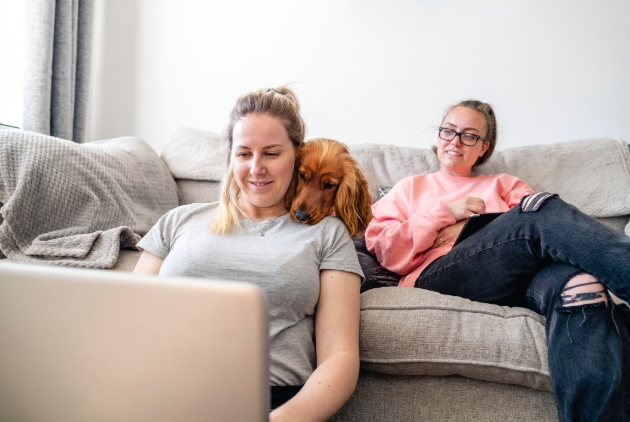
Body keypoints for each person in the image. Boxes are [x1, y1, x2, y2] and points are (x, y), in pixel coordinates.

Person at [365, 100, 630, 422]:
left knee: (582, 285)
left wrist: (470, 227)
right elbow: (385, 249)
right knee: (538, 209)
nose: (456, 141)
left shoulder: (503, 184)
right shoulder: (410, 187)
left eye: (469, 135)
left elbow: (545, 232)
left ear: (484, 147)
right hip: (442, 274)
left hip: (525, 277)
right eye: (448, 131)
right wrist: (446, 213)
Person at [133, 87, 363, 421]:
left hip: (270, 405)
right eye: (244, 154)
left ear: (296, 156)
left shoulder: (327, 233)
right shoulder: (179, 220)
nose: (256, 168)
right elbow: (128, 321)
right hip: (164, 397)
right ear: (230, 157)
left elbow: (340, 358)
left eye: (271, 153)